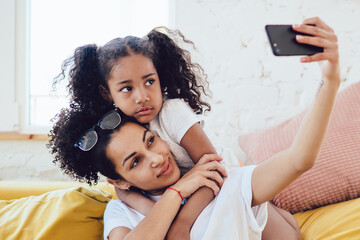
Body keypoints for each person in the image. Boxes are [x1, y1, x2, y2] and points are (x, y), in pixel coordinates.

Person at [49, 17, 340, 237]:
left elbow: (299, 159)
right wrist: (175, 195)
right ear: (119, 180)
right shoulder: (121, 208)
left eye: (150, 141)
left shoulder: (217, 173)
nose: (157, 158)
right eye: (135, 161)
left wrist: (331, 80)